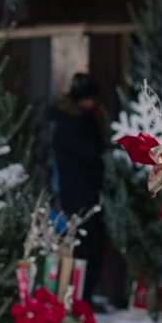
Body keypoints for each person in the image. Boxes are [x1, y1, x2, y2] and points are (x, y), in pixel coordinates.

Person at [48, 72, 108, 303]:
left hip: (78, 192)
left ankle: (82, 295)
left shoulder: (72, 120)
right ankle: (81, 296)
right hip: (80, 193)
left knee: (85, 244)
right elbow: (90, 153)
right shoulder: (74, 124)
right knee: (85, 245)